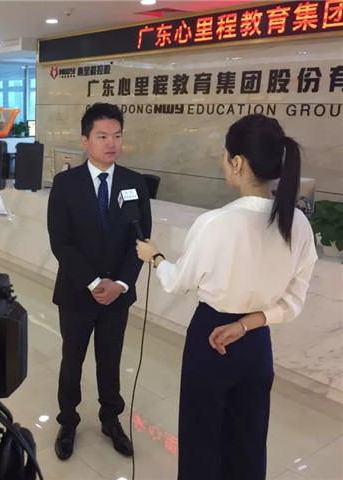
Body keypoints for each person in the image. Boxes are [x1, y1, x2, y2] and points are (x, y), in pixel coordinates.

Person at [135, 114, 317, 480]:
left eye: (224, 156)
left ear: (237, 162)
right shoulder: (298, 224)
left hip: (211, 337)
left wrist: (155, 257)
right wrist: (247, 324)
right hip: (257, 342)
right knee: (249, 439)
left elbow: (177, 282)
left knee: (201, 438)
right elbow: (293, 302)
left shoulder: (216, 223)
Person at [47, 102, 152, 460]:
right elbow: (61, 242)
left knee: (110, 360)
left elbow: (140, 239)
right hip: (77, 291)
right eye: (102, 136)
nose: (111, 143)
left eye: (117, 136)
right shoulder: (65, 184)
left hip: (117, 296)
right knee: (72, 361)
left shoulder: (134, 183)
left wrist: (120, 284)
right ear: (85, 140)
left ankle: (111, 419)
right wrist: (94, 283)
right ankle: (68, 421)